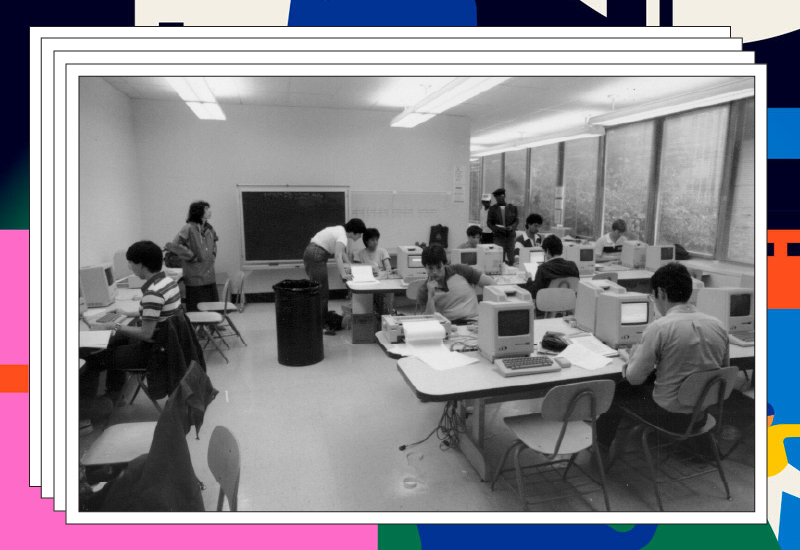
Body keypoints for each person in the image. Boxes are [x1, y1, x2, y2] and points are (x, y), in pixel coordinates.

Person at [595, 262, 729, 449]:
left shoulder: (660, 328)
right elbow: (723, 369)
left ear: (662, 293)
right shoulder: (718, 325)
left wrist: (633, 357)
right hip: (701, 415)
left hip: (669, 418)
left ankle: (601, 446)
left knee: (620, 390)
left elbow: (634, 378)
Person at [80, 241, 182, 434]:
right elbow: (160, 314)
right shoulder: (167, 283)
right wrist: (128, 314)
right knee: (119, 339)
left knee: (91, 358)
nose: (129, 267)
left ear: (141, 265)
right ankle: (115, 395)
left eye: (130, 263)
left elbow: (146, 333)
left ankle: (83, 420)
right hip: (164, 347)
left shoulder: (152, 293)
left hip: (152, 354)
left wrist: (113, 324)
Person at [303, 218, 366, 324]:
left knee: (320, 290)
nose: (360, 237)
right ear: (354, 232)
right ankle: (320, 322)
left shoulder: (340, 231)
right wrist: (343, 275)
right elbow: (337, 256)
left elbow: (342, 253)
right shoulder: (342, 236)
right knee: (321, 291)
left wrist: (350, 265)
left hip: (313, 253)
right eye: (360, 234)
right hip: (316, 255)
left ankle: (320, 319)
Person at [416, 244, 494, 323]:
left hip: (474, 322)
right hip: (449, 326)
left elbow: (491, 284)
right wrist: (430, 296)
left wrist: (489, 311)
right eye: (430, 268)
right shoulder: (424, 290)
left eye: (438, 267)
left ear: (445, 264)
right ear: (425, 267)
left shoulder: (461, 270)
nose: (435, 272)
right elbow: (430, 321)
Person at [169, 200, 219, 312]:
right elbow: (175, 245)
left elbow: (214, 243)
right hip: (195, 276)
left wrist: (213, 255)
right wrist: (191, 257)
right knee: (197, 307)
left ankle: (210, 325)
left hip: (209, 274)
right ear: (198, 211)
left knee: (212, 306)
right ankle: (198, 327)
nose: (210, 211)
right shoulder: (188, 228)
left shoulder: (210, 229)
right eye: (206, 209)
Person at [767, 402, 800, 542]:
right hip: (771, 478)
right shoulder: (775, 431)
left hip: (782, 472)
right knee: (772, 519)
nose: (770, 420)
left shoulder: (776, 430)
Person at [519, 234, 579, 300]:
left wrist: (529, 279)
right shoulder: (573, 265)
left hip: (547, 307)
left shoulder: (543, 268)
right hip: (569, 305)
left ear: (547, 250)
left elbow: (534, 293)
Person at [354, 227, 394, 314]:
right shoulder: (359, 254)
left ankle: (381, 313)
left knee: (381, 297)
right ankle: (369, 314)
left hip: (380, 283)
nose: (375, 242)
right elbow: (357, 271)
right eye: (372, 240)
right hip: (366, 284)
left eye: (377, 239)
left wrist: (385, 273)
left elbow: (388, 268)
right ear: (366, 241)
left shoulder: (382, 252)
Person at [486, 188, 519, 266]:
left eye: (501, 196)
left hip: (510, 236)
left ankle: (512, 271)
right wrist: (496, 229)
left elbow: (516, 220)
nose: (499, 198)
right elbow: (489, 223)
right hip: (499, 236)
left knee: (511, 257)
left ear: (504, 196)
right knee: (499, 257)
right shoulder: (492, 209)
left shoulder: (512, 208)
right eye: (497, 197)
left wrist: (512, 227)